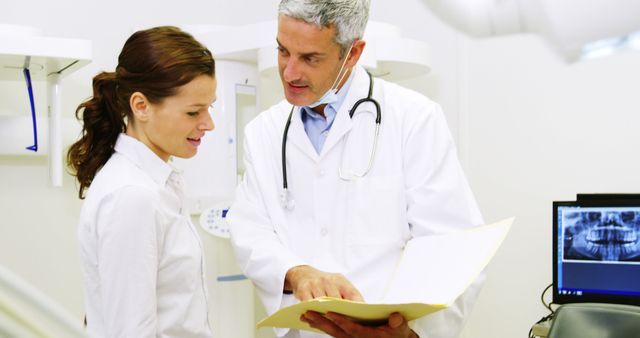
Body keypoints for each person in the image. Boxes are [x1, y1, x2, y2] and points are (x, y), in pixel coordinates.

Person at [227, 0, 485, 337]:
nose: (289, 72)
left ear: (352, 53)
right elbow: (250, 230)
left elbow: (454, 246)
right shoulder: (265, 132)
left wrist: (413, 333)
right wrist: (296, 271)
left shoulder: (413, 119)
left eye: (310, 58)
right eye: (283, 51)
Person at [67, 26, 216, 338]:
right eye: (193, 112)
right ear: (141, 106)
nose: (208, 124)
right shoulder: (133, 196)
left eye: (209, 107)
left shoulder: (155, 184)